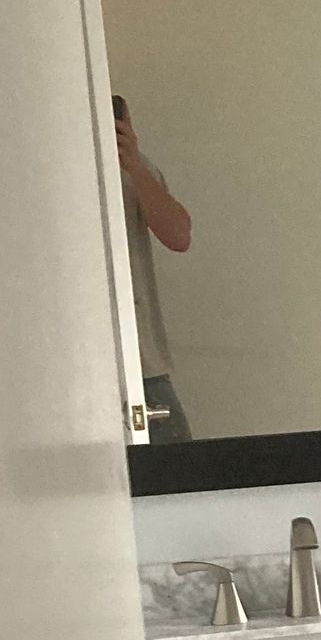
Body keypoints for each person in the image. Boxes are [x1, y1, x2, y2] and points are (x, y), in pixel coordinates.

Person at [114, 94, 194, 441]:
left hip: (145, 369)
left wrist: (134, 165)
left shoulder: (136, 169)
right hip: (77, 376)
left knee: (181, 485)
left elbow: (178, 236)